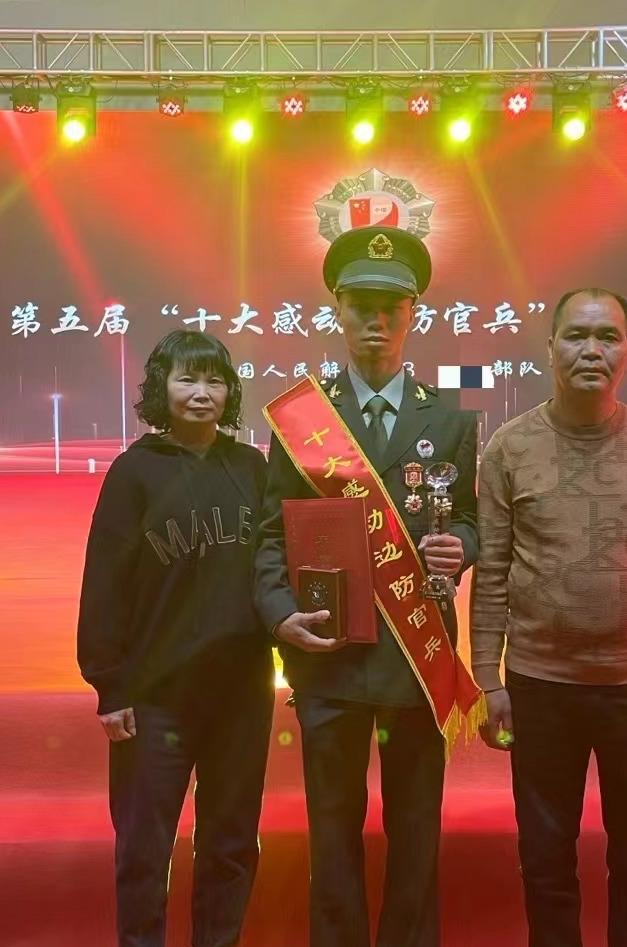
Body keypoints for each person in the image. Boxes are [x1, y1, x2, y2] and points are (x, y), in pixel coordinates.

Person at [470, 287, 627, 947]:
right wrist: (486, 677)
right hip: (539, 685)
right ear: (550, 347)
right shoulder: (508, 448)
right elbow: (491, 571)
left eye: (607, 336)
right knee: (545, 860)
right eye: (576, 336)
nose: (591, 350)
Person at [255, 225, 481, 947]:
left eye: (391, 307)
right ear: (338, 311)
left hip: (417, 653)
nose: (376, 321)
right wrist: (280, 614)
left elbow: (471, 516)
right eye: (360, 306)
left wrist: (463, 546)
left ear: (415, 313)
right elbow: (270, 534)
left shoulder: (452, 413)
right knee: (331, 828)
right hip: (330, 653)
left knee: (416, 827)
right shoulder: (302, 418)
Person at [77, 329, 273, 947]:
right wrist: (110, 685)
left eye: (215, 380)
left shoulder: (252, 468)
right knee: (144, 847)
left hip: (241, 693)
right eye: (187, 378)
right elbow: (104, 582)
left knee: (232, 843)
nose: (201, 392)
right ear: (161, 388)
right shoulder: (133, 472)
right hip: (156, 694)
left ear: (230, 392)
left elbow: (279, 566)